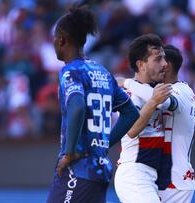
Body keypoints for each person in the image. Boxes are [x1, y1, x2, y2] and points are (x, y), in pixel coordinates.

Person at [46, 5, 141, 203]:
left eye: (55, 39)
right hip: (100, 169)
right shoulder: (103, 73)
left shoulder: (71, 71)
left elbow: (77, 106)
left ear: (61, 40)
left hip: (78, 169)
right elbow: (131, 113)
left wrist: (70, 152)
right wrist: (104, 144)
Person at [119, 44, 195, 203]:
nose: (157, 66)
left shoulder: (177, 92)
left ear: (168, 66)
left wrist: (126, 82)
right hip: (173, 177)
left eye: (159, 61)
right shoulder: (184, 92)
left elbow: (161, 101)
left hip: (174, 178)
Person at [114, 34, 179, 203]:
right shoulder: (129, 96)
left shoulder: (148, 90)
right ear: (141, 65)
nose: (165, 64)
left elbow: (169, 103)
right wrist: (152, 102)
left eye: (164, 58)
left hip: (151, 174)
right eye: (158, 59)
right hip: (134, 173)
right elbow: (131, 131)